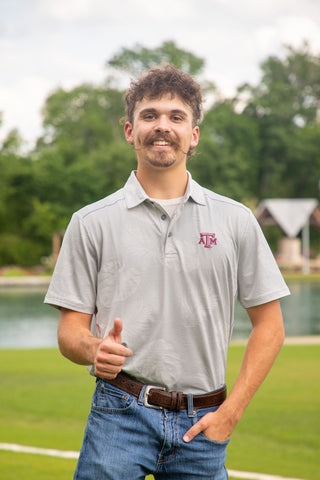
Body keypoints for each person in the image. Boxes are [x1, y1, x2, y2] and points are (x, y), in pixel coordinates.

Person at [45, 64, 290, 480]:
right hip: (118, 414)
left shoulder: (236, 220)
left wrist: (230, 413)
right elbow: (71, 331)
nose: (163, 126)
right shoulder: (90, 222)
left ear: (193, 135)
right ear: (129, 130)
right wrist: (93, 350)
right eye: (150, 115)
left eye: (176, 117)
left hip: (205, 421)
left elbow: (270, 327)